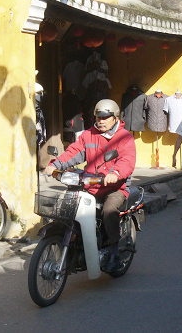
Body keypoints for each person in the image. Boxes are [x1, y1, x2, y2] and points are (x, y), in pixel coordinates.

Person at [45, 98, 135, 271]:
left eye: (105, 117)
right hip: (91, 184)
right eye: (98, 117)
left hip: (115, 187)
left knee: (109, 210)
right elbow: (74, 152)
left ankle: (115, 251)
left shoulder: (124, 137)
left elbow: (127, 160)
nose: (100, 120)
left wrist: (115, 174)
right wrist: (55, 165)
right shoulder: (88, 135)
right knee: (69, 207)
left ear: (115, 118)